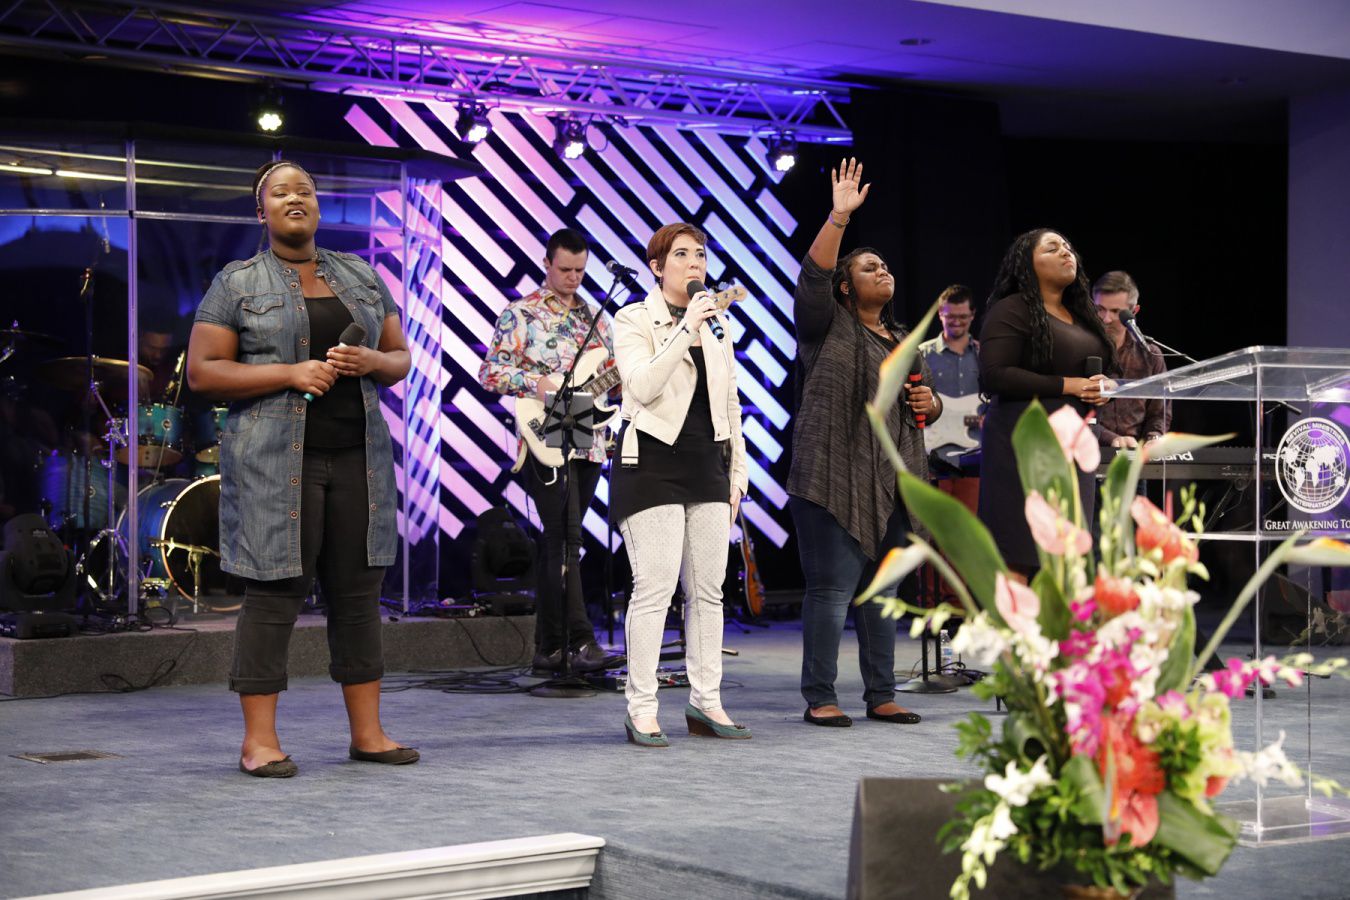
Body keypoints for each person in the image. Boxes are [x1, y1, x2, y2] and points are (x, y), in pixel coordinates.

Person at [187, 160, 415, 778]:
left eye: (306, 191)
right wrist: (289, 372)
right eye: (281, 192)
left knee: (358, 594)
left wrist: (372, 361)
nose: (296, 199)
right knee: (275, 593)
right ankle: (258, 743)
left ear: (317, 205)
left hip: (359, 458)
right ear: (261, 211)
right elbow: (203, 372)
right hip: (273, 461)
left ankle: (368, 734)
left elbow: (400, 357)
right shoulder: (237, 282)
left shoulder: (360, 274)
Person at [789, 159, 939, 729]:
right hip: (832, 473)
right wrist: (839, 218)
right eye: (870, 267)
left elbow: (924, 403)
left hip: (893, 480)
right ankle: (820, 696)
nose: (884, 271)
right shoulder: (825, 324)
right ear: (847, 286)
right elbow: (813, 277)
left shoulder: (902, 340)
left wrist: (931, 403)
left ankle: (881, 693)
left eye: (886, 265)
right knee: (831, 591)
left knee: (882, 594)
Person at [609, 222, 749, 747]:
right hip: (650, 462)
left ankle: (706, 702)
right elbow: (642, 385)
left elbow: (730, 402)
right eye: (683, 255)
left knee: (709, 591)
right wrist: (685, 327)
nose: (696, 264)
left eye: (701, 255)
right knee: (655, 587)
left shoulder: (718, 323)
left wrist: (738, 476)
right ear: (657, 266)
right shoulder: (633, 318)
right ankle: (642, 708)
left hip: (708, 463)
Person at [478, 228, 622, 676]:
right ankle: (581, 641)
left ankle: (548, 648)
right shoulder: (522, 313)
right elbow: (491, 372)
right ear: (547, 264)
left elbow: (613, 378)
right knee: (565, 538)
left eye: (580, 270)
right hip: (545, 432)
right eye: (565, 269)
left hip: (588, 436)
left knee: (560, 542)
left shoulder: (597, 318)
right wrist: (537, 383)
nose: (573, 278)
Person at [977, 229, 1113, 576]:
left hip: (1073, 450)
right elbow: (995, 375)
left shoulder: (1081, 315)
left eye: (1067, 247)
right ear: (1027, 263)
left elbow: (1094, 374)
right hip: (1023, 448)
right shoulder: (1012, 309)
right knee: (1021, 552)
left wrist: (1104, 386)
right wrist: (1069, 385)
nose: (1066, 252)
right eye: (1052, 248)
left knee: (1066, 559)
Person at [1091, 270, 1169, 450]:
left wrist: (1154, 437)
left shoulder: (1150, 355)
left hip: (1137, 452)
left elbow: (1159, 412)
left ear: (1134, 311)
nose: (1106, 319)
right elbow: (1073, 414)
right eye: (1100, 309)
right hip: (1092, 452)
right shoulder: (1081, 349)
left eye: (1116, 311)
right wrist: (1111, 438)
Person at [919, 284, 984, 471]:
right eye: (950, 316)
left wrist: (989, 418)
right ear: (940, 313)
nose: (957, 322)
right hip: (932, 456)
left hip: (975, 454)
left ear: (972, 315)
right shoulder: (921, 354)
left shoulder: (985, 354)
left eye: (962, 316)